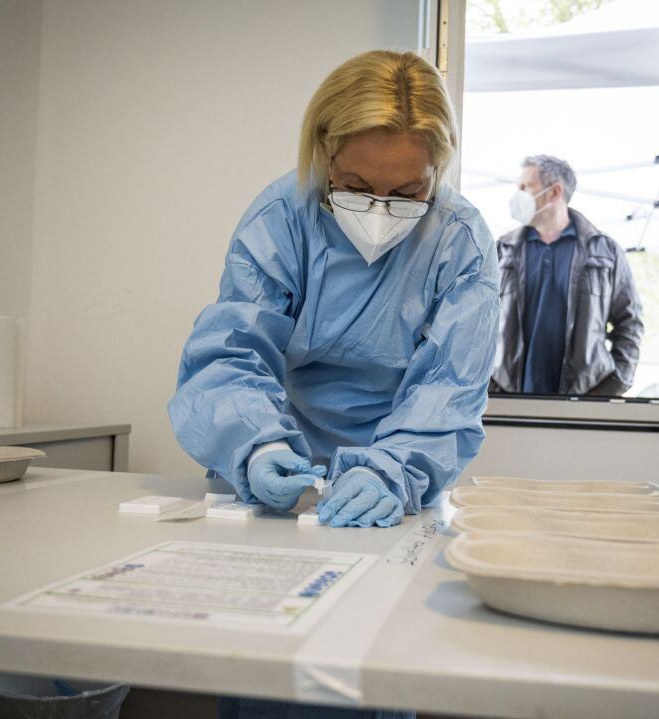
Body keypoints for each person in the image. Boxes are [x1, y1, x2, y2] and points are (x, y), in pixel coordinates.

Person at [168, 50, 498, 531]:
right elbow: (230, 351)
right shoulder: (283, 216)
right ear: (325, 156)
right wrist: (260, 446)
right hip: (281, 471)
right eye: (355, 186)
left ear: (438, 169)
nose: (378, 213)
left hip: (398, 485)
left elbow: (450, 389)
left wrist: (390, 473)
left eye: (407, 194)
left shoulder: (459, 241)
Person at [491, 155, 643, 396]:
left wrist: (614, 382)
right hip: (510, 397)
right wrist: (490, 382)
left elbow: (630, 322)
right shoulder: (502, 250)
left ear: (554, 192)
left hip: (580, 402)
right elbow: (477, 322)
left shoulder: (605, 251)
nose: (517, 195)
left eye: (525, 187)